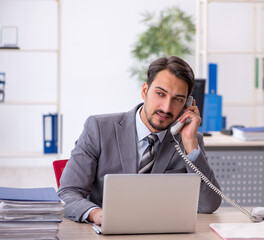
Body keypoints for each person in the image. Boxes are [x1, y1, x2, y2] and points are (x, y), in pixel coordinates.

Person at [58, 56, 222, 225]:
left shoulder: (189, 141)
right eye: (160, 94)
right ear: (145, 91)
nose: (166, 108)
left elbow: (208, 205)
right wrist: (96, 214)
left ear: (187, 105)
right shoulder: (99, 129)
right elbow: (68, 193)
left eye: (178, 99)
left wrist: (189, 144)